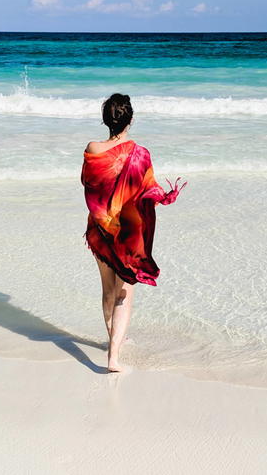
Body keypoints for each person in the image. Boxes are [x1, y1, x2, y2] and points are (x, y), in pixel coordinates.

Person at [81, 93, 186, 372]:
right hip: (127, 235)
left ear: (106, 119)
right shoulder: (140, 153)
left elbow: (88, 185)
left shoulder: (92, 149)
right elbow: (146, 191)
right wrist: (164, 196)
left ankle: (113, 339)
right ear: (131, 119)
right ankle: (113, 357)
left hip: (100, 228)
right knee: (123, 293)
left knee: (107, 290)